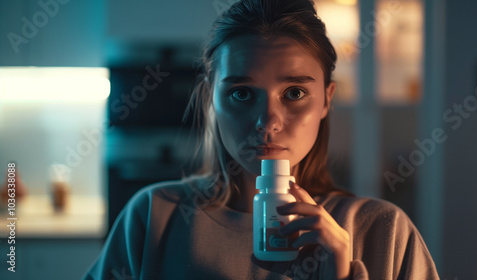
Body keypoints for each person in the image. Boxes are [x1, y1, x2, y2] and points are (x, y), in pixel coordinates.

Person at [83, 0, 439, 279]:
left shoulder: (385, 233)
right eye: (241, 93)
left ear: (327, 99)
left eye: (295, 92)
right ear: (211, 99)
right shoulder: (154, 217)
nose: (267, 122)